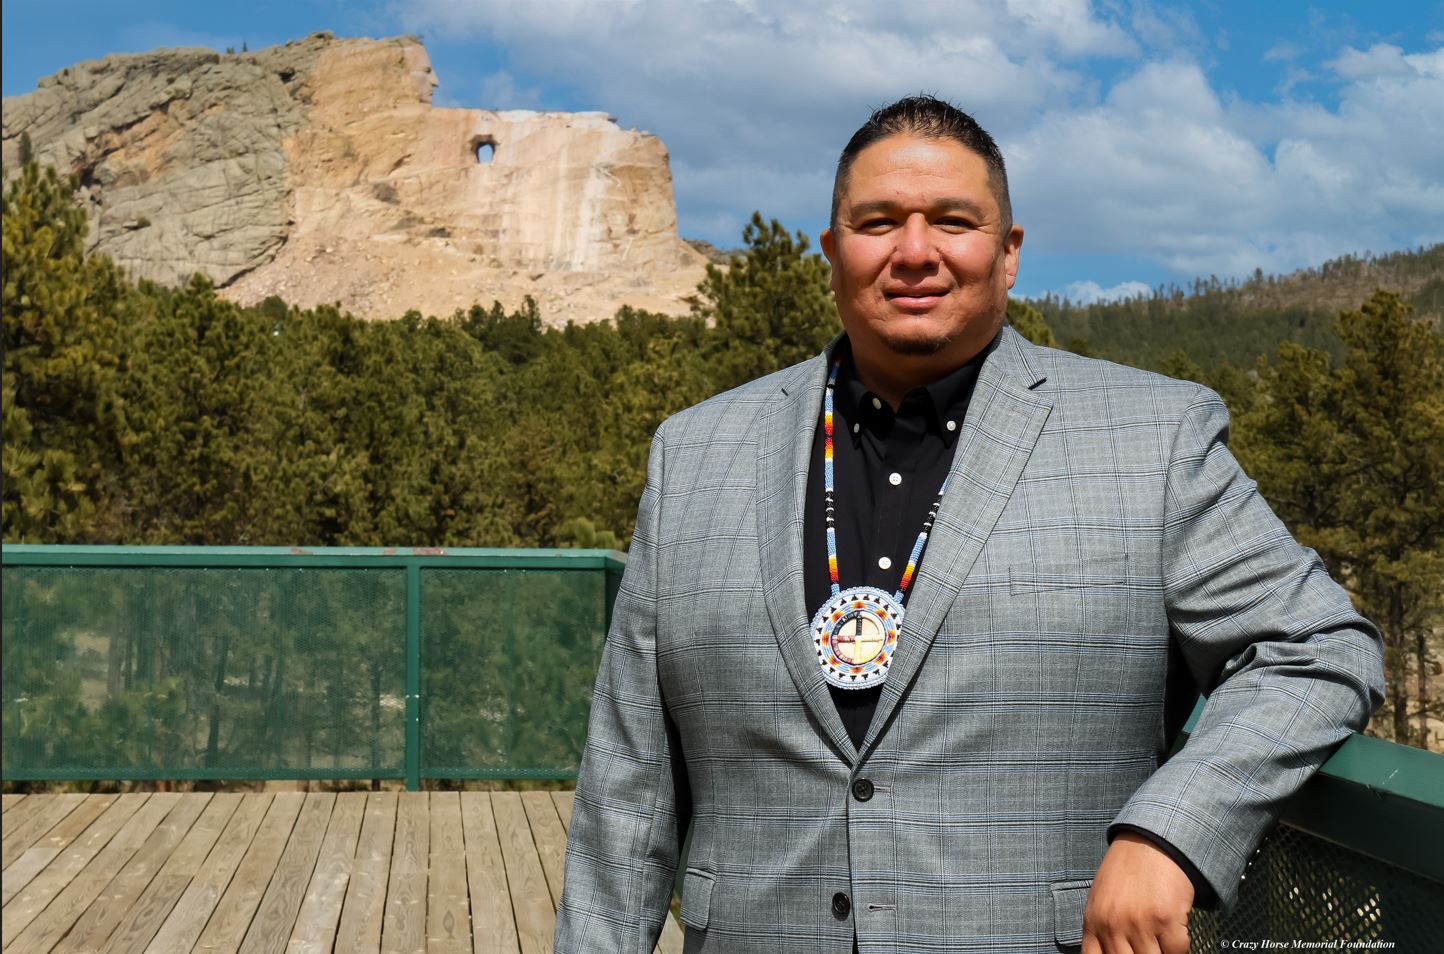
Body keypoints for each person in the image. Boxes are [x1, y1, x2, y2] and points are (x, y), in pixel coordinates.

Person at [554, 95, 1385, 954]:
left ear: (1009, 252)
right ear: (832, 252)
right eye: (878, 222)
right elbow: (628, 785)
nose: (915, 252)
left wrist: (1171, 830)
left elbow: (1319, 649)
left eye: (953, 220)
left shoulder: (1150, 438)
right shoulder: (696, 452)